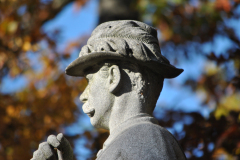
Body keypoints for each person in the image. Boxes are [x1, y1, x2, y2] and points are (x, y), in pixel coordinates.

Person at [31, 20, 186, 160]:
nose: (82, 96)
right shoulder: (132, 139)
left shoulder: (142, 136)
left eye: (89, 81)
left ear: (113, 77)